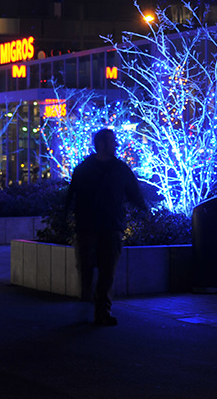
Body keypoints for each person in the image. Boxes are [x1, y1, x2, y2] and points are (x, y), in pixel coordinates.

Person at [65, 128, 147, 326]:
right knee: (91, 269)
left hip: (105, 226)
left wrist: (144, 209)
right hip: (94, 226)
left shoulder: (111, 169)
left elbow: (134, 193)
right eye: (112, 142)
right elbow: (72, 196)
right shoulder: (93, 169)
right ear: (102, 144)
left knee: (106, 270)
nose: (116, 145)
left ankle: (101, 309)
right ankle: (91, 304)